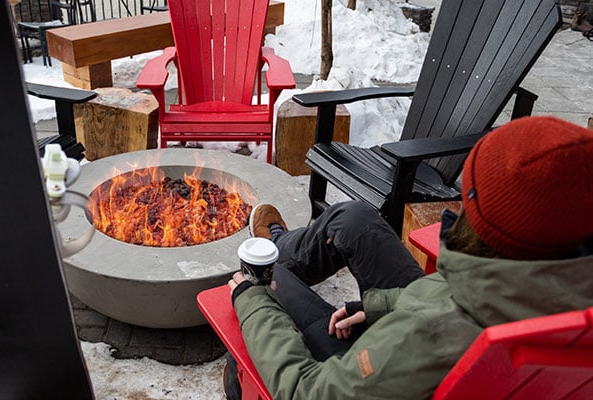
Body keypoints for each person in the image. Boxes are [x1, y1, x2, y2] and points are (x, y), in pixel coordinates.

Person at [225, 115, 593, 399]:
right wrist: (384, 305)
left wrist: (255, 304)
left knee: (264, 280)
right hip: (456, 331)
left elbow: (309, 392)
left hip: (396, 365)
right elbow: (466, 297)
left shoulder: (426, 334)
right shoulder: (560, 273)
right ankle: (284, 242)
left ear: (482, 216)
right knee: (355, 219)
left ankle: (238, 375)